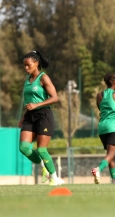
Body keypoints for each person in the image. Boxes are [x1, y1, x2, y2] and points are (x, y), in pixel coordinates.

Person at [18, 50, 63, 186]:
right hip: (30, 117)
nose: (26, 68)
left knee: (42, 149)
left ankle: (55, 178)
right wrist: (23, 117)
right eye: (24, 65)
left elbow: (55, 98)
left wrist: (37, 104)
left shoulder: (44, 78)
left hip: (44, 115)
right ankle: (43, 166)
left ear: (36, 63)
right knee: (24, 148)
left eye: (28, 65)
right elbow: (29, 102)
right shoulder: (27, 80)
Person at [91, 73, 115, 184]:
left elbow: (100, 108)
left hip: (102, 127)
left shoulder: (99, 95)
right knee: (111, 154)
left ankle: (114, 179)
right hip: (113, 127)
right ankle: (98, 169)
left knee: (110, 154)